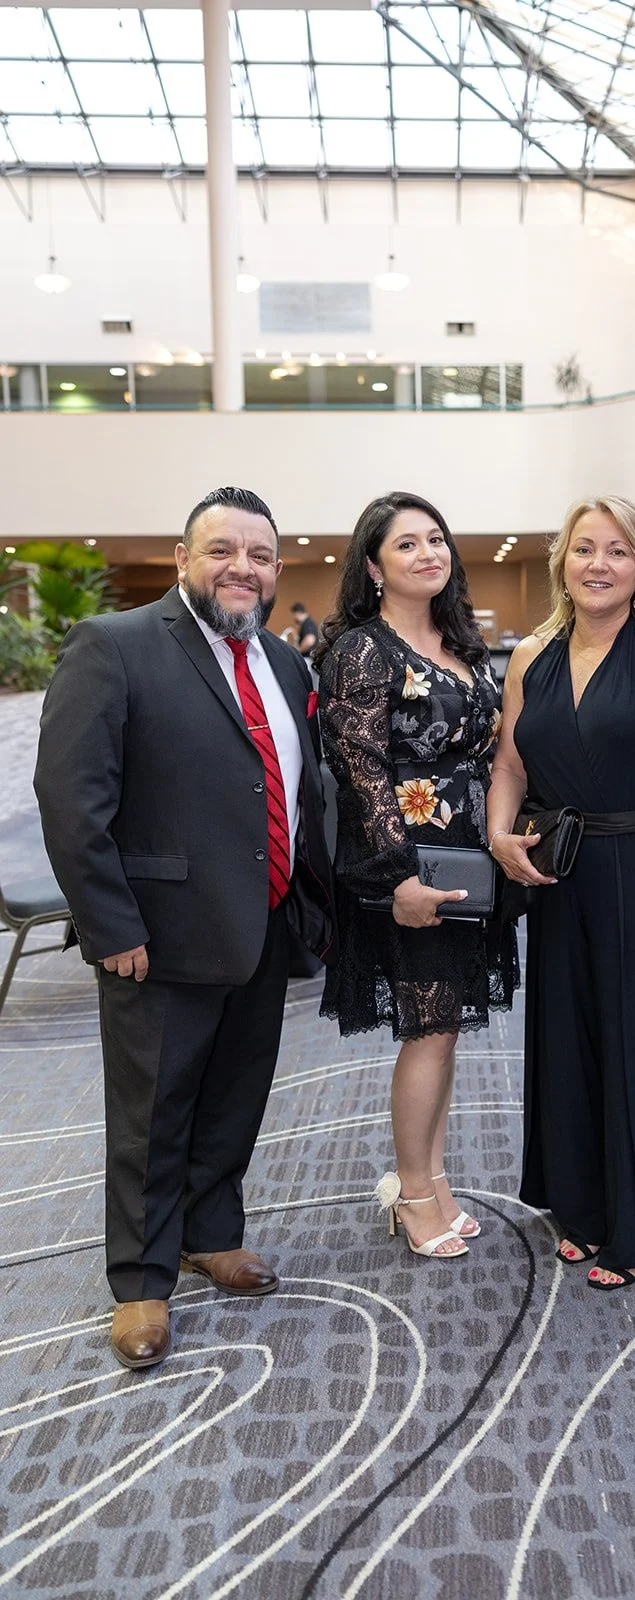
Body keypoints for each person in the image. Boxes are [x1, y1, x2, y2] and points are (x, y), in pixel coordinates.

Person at [34, 486, 334, 1371]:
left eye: (260, 555)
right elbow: (72, 799)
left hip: (263, 926)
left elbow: (289, 785)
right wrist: (108, 923)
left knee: (235, 1097)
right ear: (182, 558)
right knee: (152, 1113)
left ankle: (213, 1233)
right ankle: (140, 1283)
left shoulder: (282, 665)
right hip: (155, 937)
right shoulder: (114, 647)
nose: (243, 567)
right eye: (222, 550)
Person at [487, 497, 635, 1291]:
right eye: (584, 549)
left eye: (616, 551)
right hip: (558, 870)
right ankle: (581, 1208)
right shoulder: (531, 655)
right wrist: (497, 837)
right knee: (566, 1039)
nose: (598, 564)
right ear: (562, 563)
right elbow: (510, 767)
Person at [316, 492, 518, 1260]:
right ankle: (412, 1193)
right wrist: (398, 877)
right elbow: (361, 771)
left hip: (468, 859)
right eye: (407, 545)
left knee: (447, 1029)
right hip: (409, 865)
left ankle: (431, 1180)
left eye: (436, 539)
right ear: (373, 566)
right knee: (427, 1032)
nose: (428, 553)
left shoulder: (459, 644)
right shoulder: (362, 650)